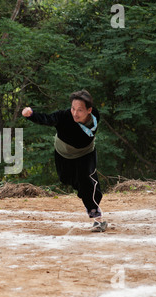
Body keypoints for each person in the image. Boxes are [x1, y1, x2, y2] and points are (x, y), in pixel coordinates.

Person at [22, 90, 107, 232]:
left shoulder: (95, 116)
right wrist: (31, 115)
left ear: (89, 110)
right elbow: (47, 119)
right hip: (63, 154)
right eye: (73, 108)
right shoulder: (64, 117)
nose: (75, 113)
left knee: (87, 182)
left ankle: (97, 218)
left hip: (86, 153)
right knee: (66, 179)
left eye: (80, 110)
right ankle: (85, 191)